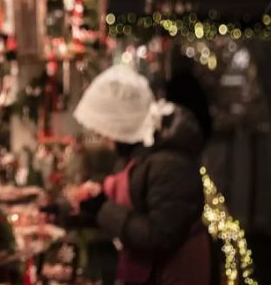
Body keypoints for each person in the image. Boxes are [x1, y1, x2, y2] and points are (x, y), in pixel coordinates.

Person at [67, 64, 211, 285]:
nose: (100, 136)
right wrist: (84, 208)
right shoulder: (143, 156)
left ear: (120, 125)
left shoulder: (169, 162)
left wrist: (103, 209)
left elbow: (162, 235)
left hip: (176, 273)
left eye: (104, 129)